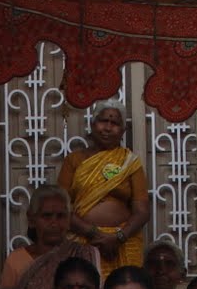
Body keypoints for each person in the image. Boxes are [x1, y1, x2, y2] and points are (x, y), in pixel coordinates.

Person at [59, 102, 150, 270]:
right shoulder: (74, 161)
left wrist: (118, 237)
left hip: (123, 243)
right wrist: (94, 234)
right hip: (83, 241)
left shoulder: (130, 163)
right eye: (103, 121)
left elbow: (142, 211)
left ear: (123, 131)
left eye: (114, 123)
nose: (108, 127)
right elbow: (62, 209)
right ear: (93, 125)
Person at [4, 188, 99, 289]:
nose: (54, 223)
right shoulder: (16, 260)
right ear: (32, 219)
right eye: (47, 216)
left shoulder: (85, 254)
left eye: (61, 216)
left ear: (69, 220)